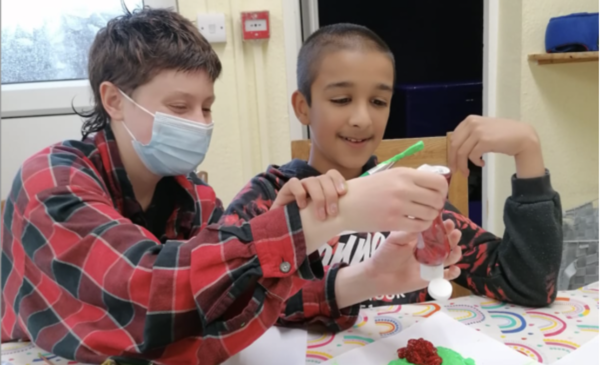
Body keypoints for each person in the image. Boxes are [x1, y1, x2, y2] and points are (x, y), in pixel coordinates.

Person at [0, 9, 459, 365]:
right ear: (114, 100)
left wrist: (366, 279)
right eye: (180, 106)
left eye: (207, 108)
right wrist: (316, 223)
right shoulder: (53, 180)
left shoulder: (194, 198)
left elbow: (228, 304)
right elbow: (146, 296)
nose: (200, 125)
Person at [222, 23, 563, 317]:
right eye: (341, 100)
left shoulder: (411, 199)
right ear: (303, 107)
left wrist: (527, 149)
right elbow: (220, 303)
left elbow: (530, 286)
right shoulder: (270, 197)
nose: (362, 119)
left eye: (378, 102)